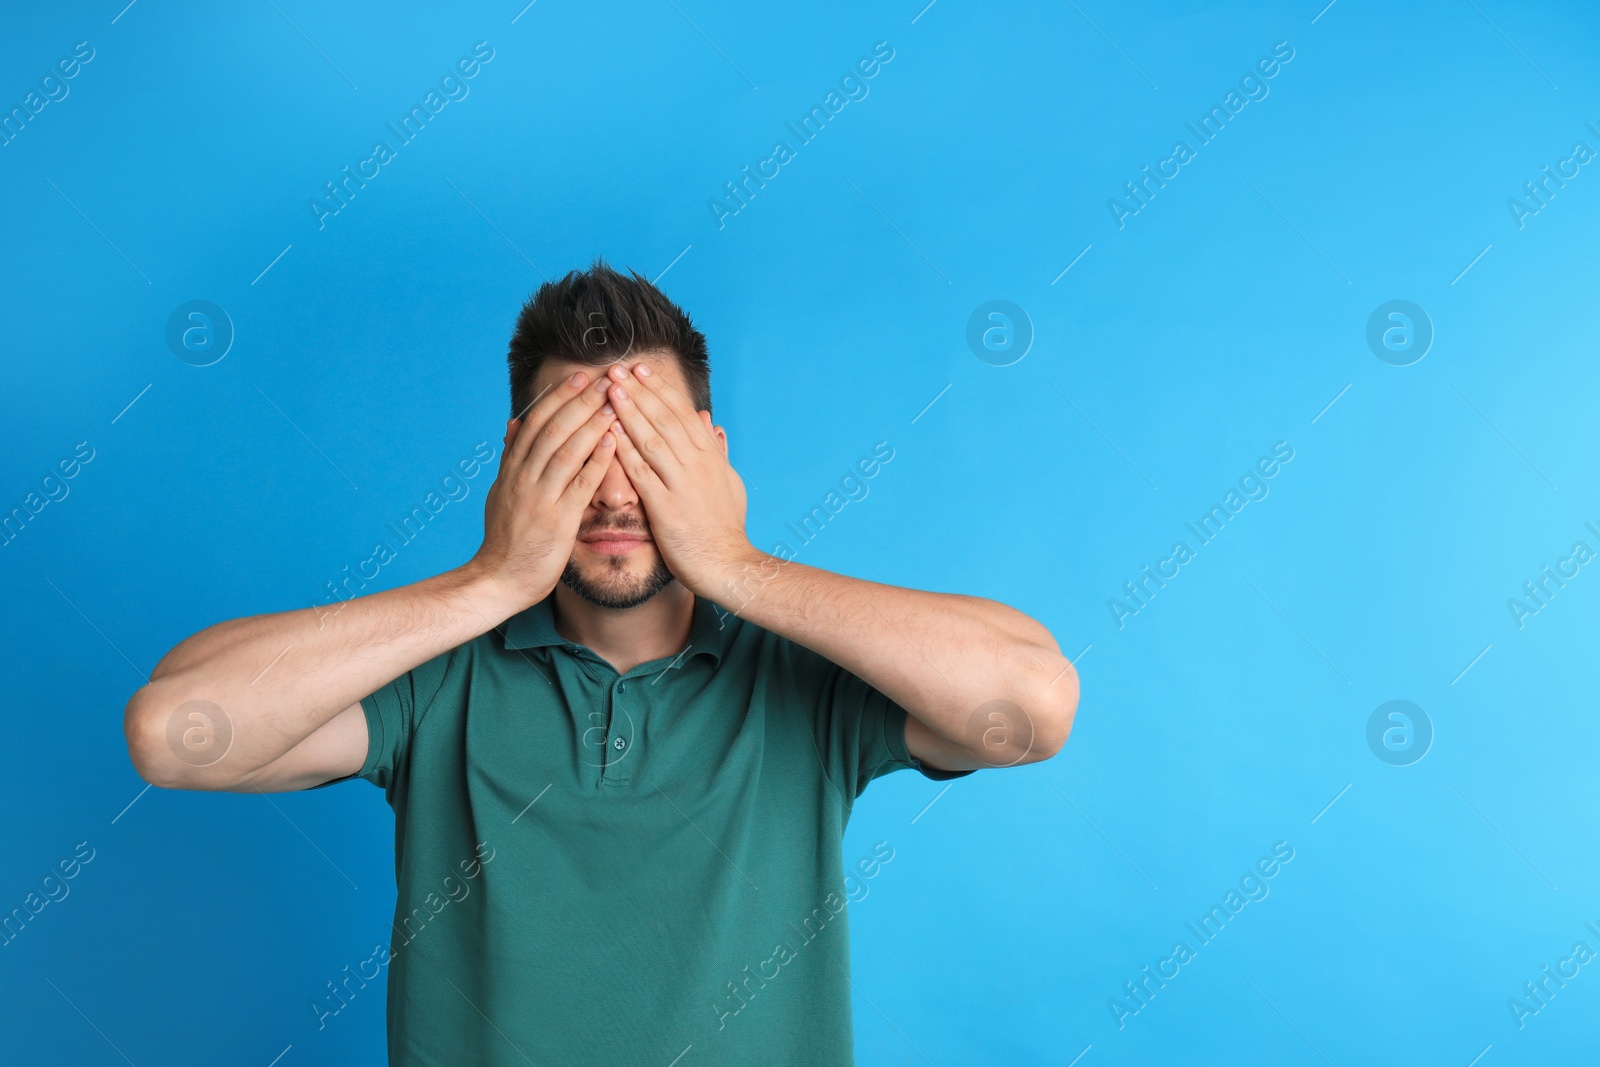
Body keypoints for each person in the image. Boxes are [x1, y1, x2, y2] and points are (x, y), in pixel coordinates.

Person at [123, 261, 1080, 1066]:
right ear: (513, 456)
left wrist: (739, 566)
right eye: (577, 446)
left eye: (648, 445)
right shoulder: (436, 671)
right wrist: (490, 579)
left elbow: (1035, 703)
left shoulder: (808, 674)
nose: (615, 489)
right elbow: (175, 733)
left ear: (711, 454)